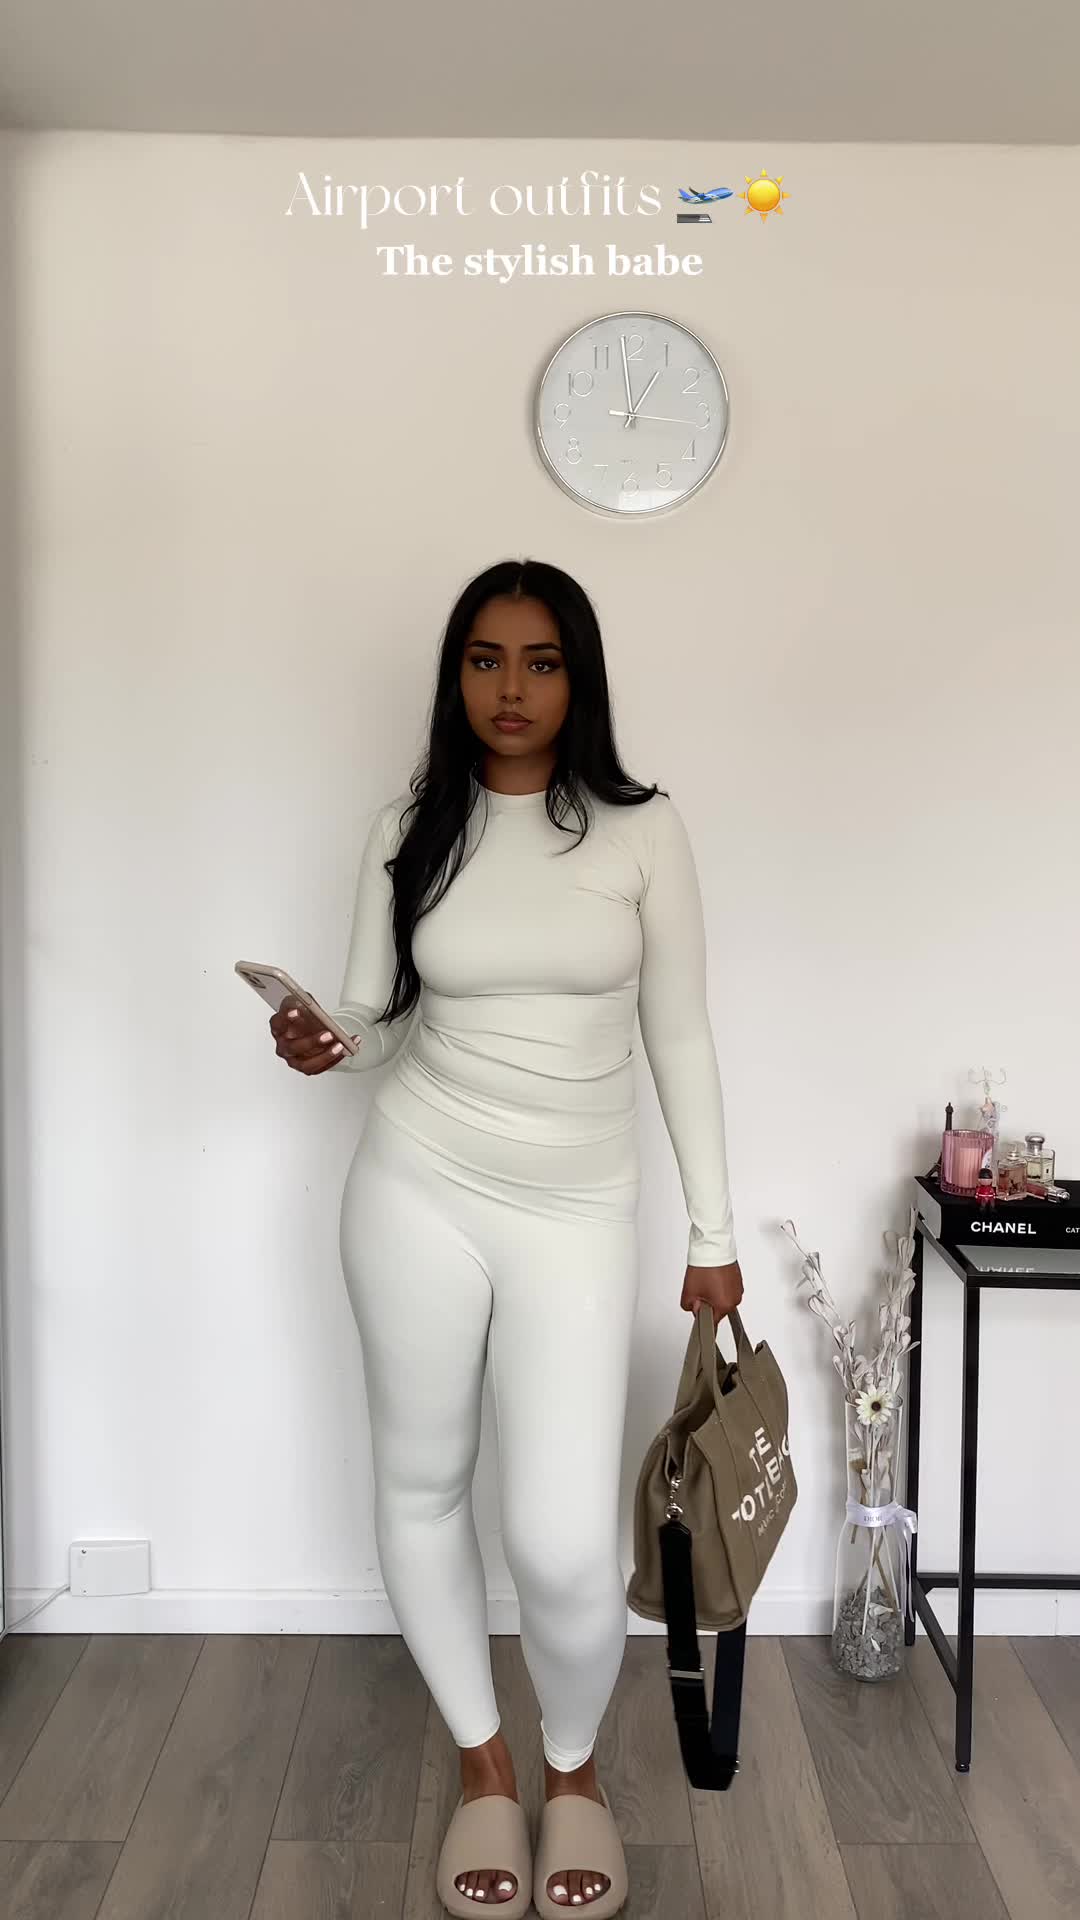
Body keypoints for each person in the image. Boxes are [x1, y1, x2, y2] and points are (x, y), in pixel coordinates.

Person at [269, 559, 743, 1920]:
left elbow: (680, 1034)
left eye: (540, 661)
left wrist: (712, 1228)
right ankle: (487, 1764)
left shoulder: (643, 832)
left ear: (577, 679)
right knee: (424, 1485)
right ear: (456, 675)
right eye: (486, 659)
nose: (512, 687)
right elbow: (380, 1021)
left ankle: (572, 1771)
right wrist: (327, 1038)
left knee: (560, 1540)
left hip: (577, 1211)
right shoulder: (409, 826)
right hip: (414, 1189)